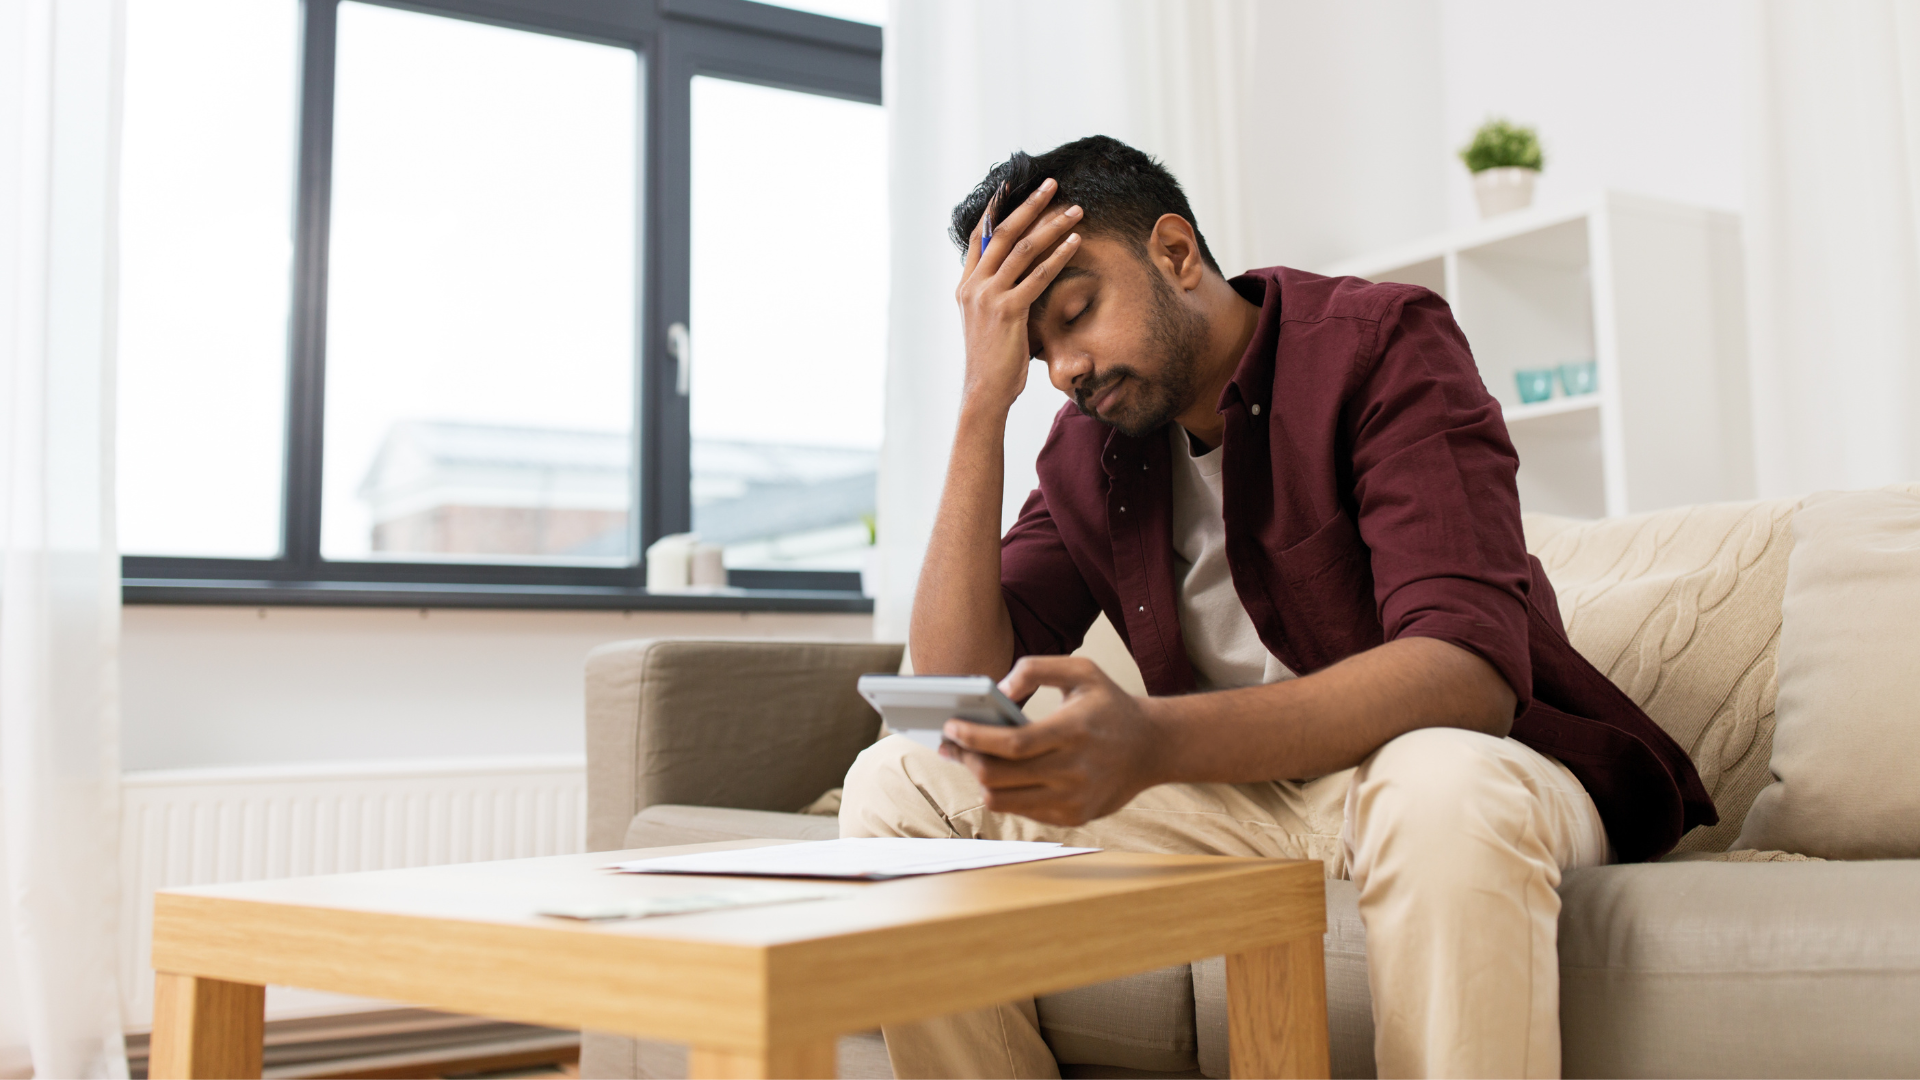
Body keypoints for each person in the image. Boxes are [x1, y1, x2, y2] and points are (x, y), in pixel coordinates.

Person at [839, 135, 1714, 1080]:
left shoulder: (1380, 344)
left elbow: (1467, 673)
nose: (1063, 371)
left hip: (1457, 773)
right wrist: (981, 402)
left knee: (1437, 783)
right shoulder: (1089, 447)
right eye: (1034, 346)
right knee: (897, 786)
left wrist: (1155, 741)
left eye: (1077, 312)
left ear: (1175, 254)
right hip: (1241, 806)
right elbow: (953, 692)